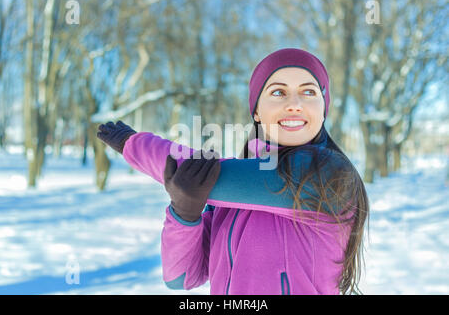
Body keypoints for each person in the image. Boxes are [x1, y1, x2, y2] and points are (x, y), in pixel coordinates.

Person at [97, 48, 370, 295]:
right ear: (257, 112)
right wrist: (185, 215)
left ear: (323, 110)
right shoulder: (230, 199)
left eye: (309, 92)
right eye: (278, 92)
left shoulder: (328, 173)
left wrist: (133, 144)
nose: (295, 103)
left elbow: (194, 169)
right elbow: (180, 278)